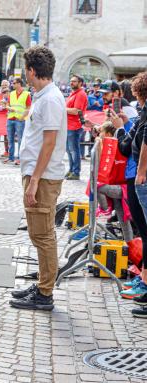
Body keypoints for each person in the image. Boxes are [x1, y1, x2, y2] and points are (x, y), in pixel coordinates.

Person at [9, 46, 67, 311]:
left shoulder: (50, 99)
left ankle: (45, 293)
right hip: (38, 175)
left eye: (27, 71)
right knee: (39, 232)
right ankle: (43, 285)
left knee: (43, 235)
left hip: (42, 178)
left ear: (32, 71)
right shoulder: (44, 96)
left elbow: (49, 143)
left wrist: (34, 180)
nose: (26, 76)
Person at [117, 72, 147, 310]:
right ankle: (144, 279)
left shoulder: (142, 116)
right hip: (137, 175)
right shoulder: (142, 115)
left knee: (145, 231)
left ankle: (145, 283)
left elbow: (135, 145)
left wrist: (141, 174)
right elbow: (129, 145)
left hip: (140, 177)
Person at [94, 121, 133, 242]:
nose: (100, 135)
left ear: (109, 134)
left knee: (97, 187)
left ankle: (104, 209)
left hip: (122, 187)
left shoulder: (114, 146)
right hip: (117, 184)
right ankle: (130, 244)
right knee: (123, 220)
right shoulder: (111, 144)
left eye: (102, 133)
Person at [65, 75, 88, 180]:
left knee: (74, 150)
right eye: (71, 81)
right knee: (69, 150)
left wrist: (62, 108)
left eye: (74, 81)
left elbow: (76, 111)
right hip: (68, 125)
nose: (71, 83)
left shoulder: (81, 94)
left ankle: (76, 172)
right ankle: (71, 170)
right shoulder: (73, 93)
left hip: (74, 126)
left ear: (80, 83)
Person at [3, 78, 31, 165]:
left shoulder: (26, 94)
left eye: (14, 83)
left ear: (19, 84)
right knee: (10, 139)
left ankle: (19, 158)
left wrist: (23, 117)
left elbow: (29, 107)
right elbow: (7, 104)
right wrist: (8, 108)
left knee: (20, 140)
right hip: (11, 119)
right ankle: (11, 157)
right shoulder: (11, 94)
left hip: (20, 120)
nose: (12, 85)